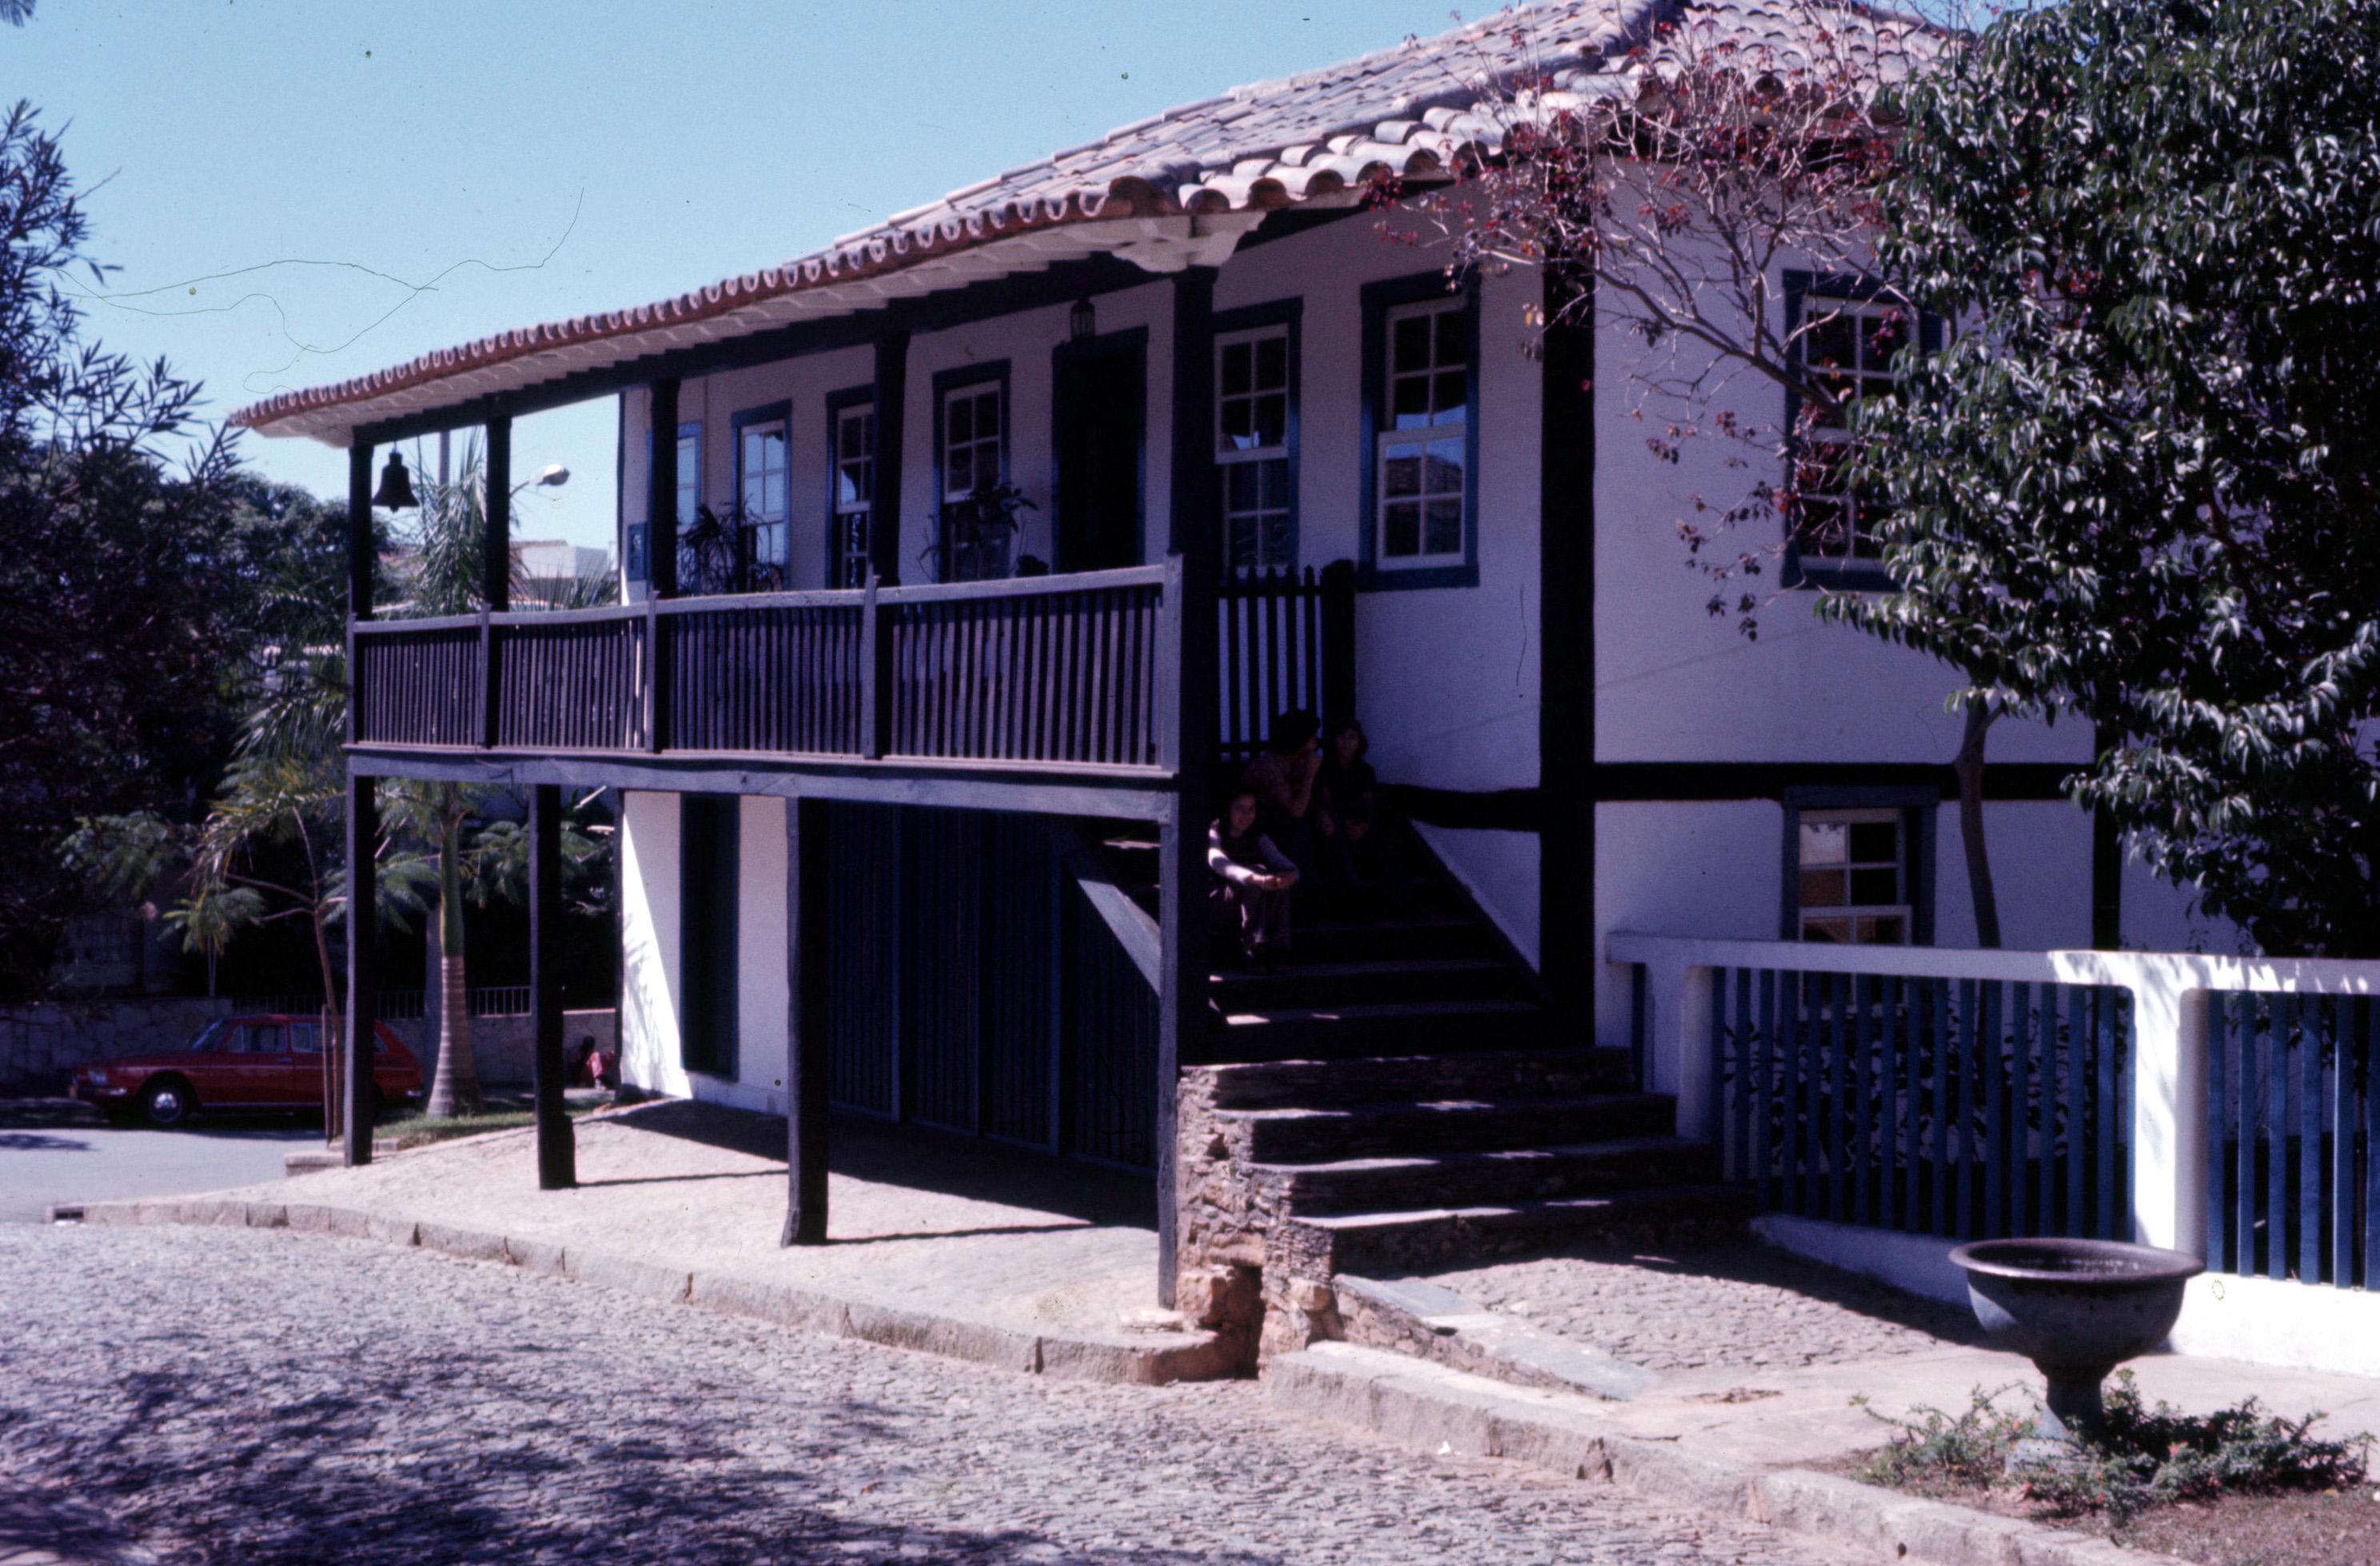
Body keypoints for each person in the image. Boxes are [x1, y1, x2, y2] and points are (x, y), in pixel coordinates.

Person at [1242, 708, 1347, 907]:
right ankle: (1306, 898)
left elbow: (1306, 801)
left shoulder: (1299, 761)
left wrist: (1321, 813)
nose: (1316, 742)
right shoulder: (1270, 765)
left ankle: (1342, 891)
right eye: (1311, 737)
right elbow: (1295, 810)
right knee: (1300, 830)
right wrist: (1310, 776)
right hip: (1261, 823)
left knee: (1329, 821)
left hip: (1288, 821)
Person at [1318, 715, 1413, 913]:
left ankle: (1403, 902)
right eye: (1341, 737)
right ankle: (1350, 898)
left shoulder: (1365, 770)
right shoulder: (1324, 769)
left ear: (1359, 741)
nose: (1346, 743)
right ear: (1333, 740)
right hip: (1334, 820)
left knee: (1388, 842)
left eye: (1352, 738)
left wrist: (1363, 825)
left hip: (1358, 820)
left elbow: (1368, 802)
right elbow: (1323, 801)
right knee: (1334, 841)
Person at [1209, 789, 1298, 970]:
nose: (1246, 815)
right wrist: (1252, 877)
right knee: (1257, 875)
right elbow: (1217, 861)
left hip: (1251, 899)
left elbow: (1282, 862)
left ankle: (1277, 947)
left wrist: (1290, 876)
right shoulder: (1216, 830)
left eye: (1251, 809)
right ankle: (1252, 947)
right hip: (1218, 898)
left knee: (1279, 880)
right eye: (1240, 809)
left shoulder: (1257, 835)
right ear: (1228, 809)